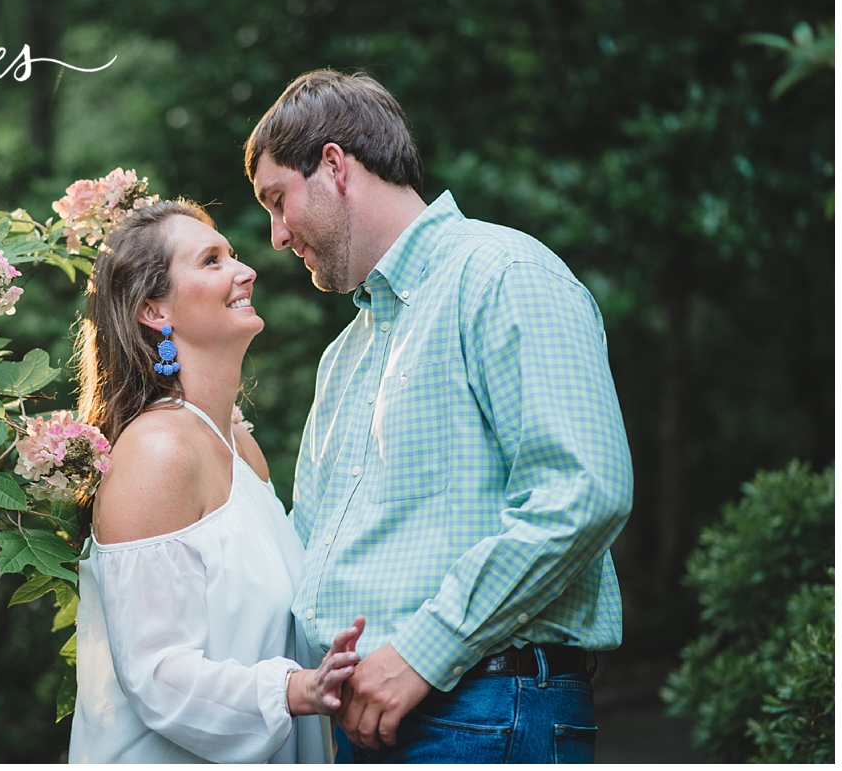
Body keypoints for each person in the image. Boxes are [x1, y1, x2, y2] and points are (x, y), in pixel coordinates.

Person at [246, 69, 632, 763]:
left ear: (334, 165)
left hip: (485, 711)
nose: (276, 236)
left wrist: (422, 652)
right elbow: (306, 551)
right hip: (362, 725)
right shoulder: (344, 355)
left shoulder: (504, 273)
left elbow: (582, 491)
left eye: (279, 201)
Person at [68, 198, 366, 763]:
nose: (245, 269)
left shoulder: (241, 449)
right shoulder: (156, 451)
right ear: (155, 310)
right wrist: (296, 689)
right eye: (211, 260)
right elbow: (156, 671)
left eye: (232, 254)